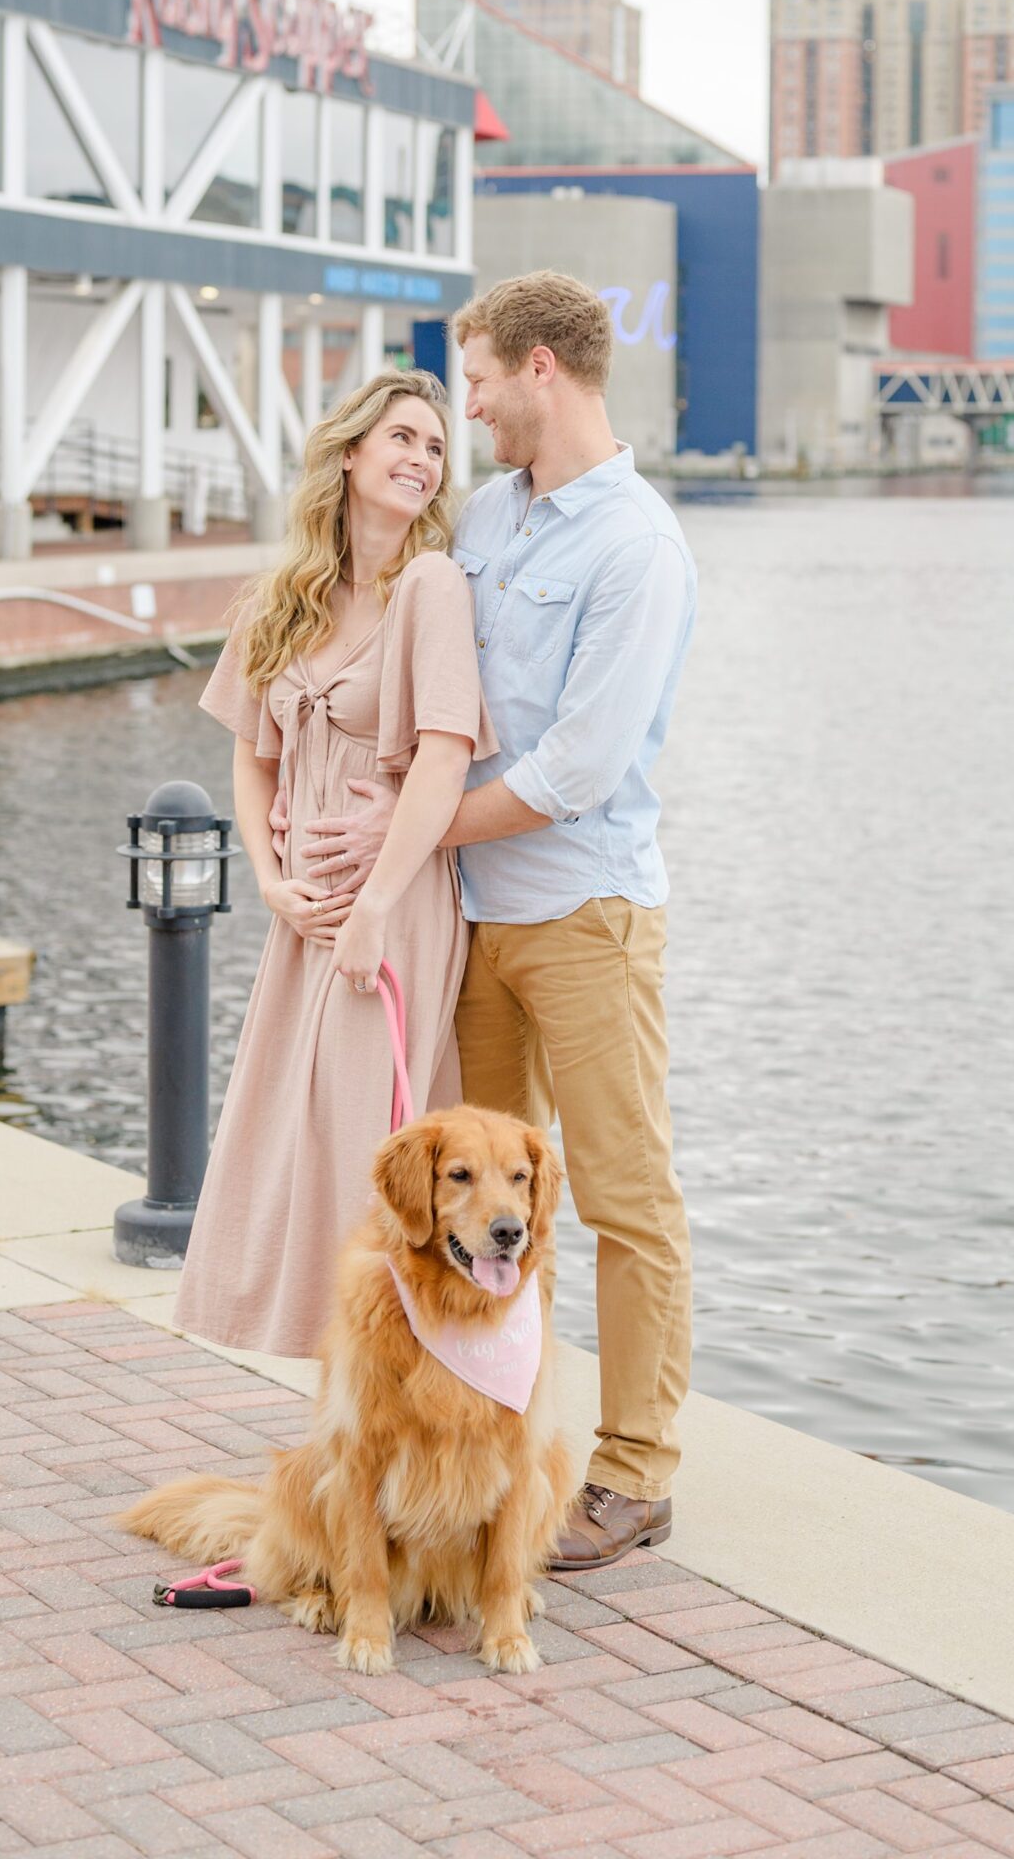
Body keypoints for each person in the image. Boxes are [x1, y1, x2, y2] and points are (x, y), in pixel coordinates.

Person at [298, 272, 697, 1570]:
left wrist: (401, 839)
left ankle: (633, 1476)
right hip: (471, 925)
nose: (461, 409)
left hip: (584, 919)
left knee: (621, 1202)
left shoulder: (636, 548)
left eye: (472, 384)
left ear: (538, 370)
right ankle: (488, 1437)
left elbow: (574, 770)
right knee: (475, 1209)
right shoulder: (485, 515)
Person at [177, 369, 494, 1358]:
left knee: (370, 1138)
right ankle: (331, 1390)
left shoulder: (430, 587)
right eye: (401, 437)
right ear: (349, 453)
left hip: (388, 908)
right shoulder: (288, 596)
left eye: (435, 447)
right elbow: (247, 751)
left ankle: (388, 1378)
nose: (419, 459)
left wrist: (371, 910)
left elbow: (443, 755)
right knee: (287, 1135)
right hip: (303, 914)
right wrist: (270, 881)